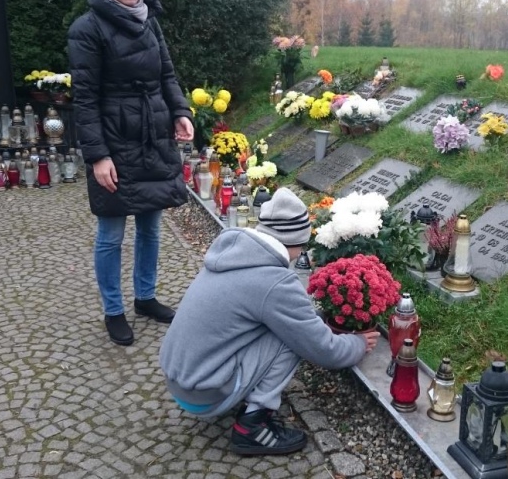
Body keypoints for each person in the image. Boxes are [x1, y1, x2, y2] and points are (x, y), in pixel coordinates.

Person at [159, 188, 380, 456]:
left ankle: (245, 396)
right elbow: (324, 350)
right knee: (291, 338)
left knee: (287, 325)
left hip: (180, 381)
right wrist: (358, 343)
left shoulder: (234, 254)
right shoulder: (274, 282)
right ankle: (251, 427)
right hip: (206, 393)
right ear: (298, 240)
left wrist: (317, 318)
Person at [68, 0, 194, 346]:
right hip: (115, 140)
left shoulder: (149, 21)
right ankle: (113, 309)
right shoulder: (87, 29)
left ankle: (145, 297)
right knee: (111, 234)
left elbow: (167, 75)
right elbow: (84, 99)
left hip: (153, 136)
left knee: (152, 226)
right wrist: (98, 156)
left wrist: (180, 112)